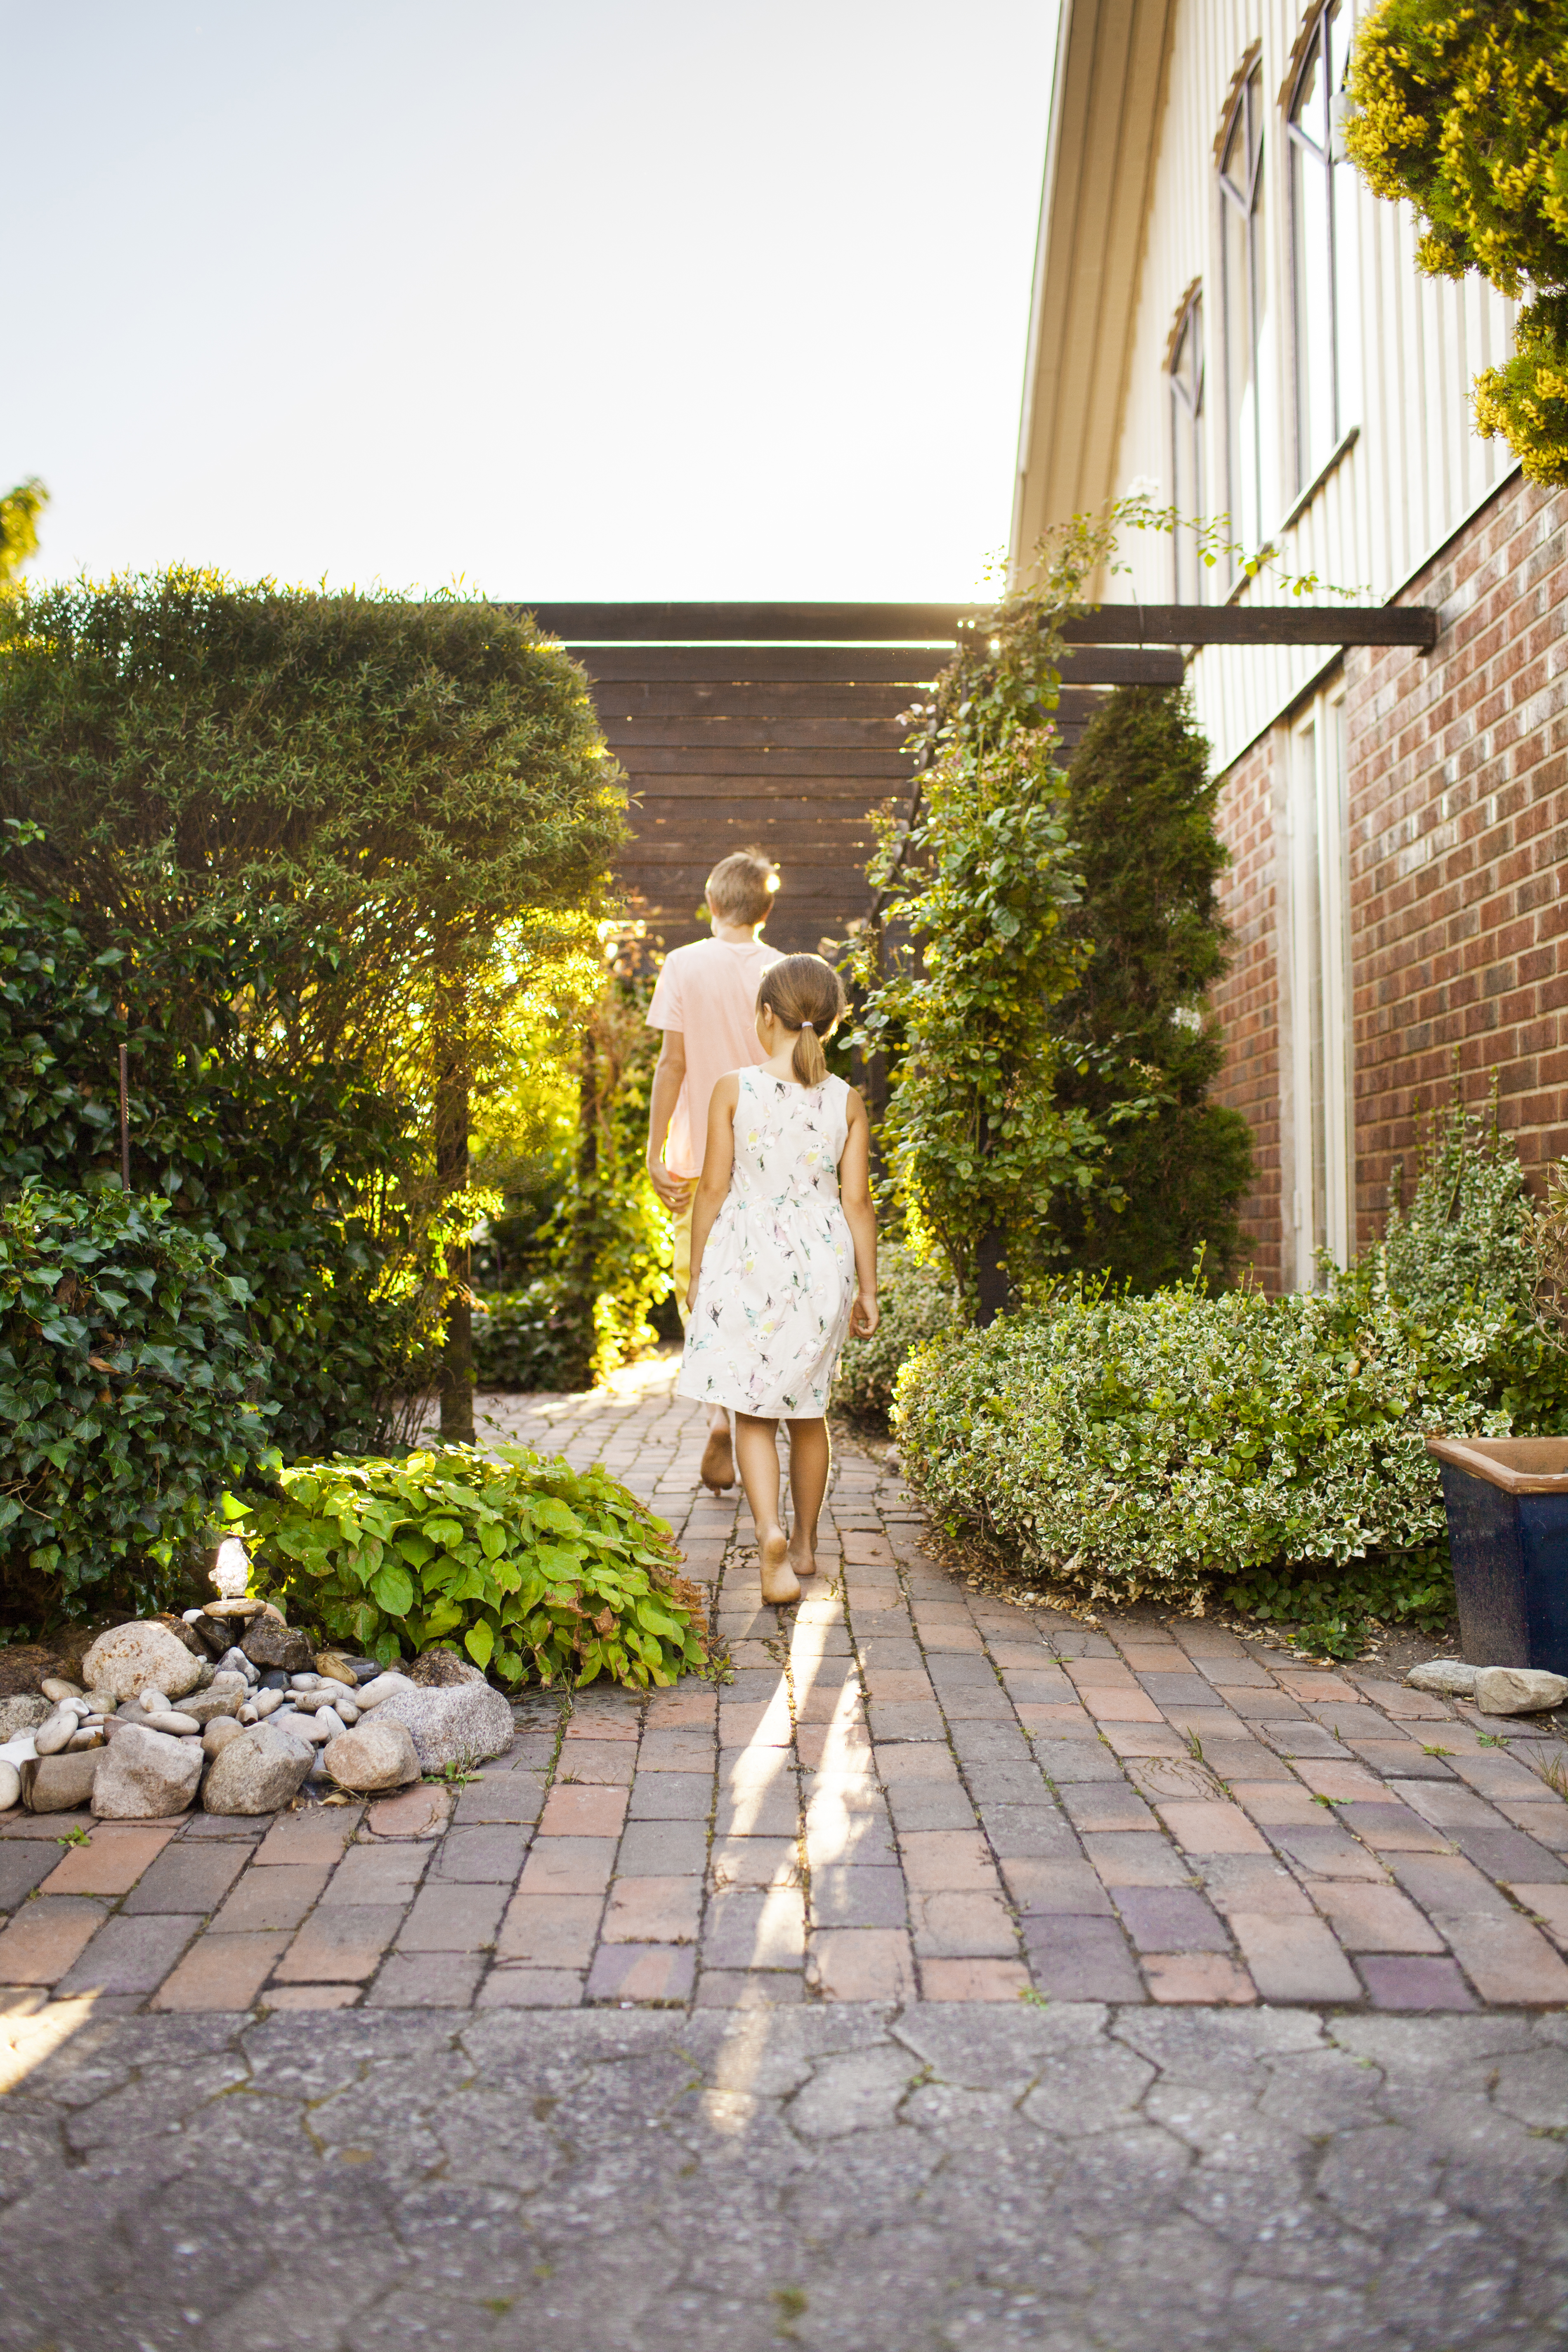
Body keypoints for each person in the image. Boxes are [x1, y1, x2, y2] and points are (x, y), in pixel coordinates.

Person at [677, 954, 878, 1606]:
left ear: (767, 1016)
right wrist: (868, 1289)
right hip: (822, 1264)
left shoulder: (735, 1089)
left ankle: (767, 1532)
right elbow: (858, 1205)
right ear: (832, 1022)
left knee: (753, 1412)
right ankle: (805, 1545)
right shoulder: (847, 1100)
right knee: (809, 1410)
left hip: (747, 1257)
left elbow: (712, 1188)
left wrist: (697, 1267)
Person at [646, 848, 782, 1494]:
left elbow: (671, 1065)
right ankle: (749, 1410)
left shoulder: (683, 964)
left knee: (701, 1287)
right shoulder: (785, 971)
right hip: (767, 1161)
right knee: (759, 1289)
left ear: (710, 904)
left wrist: (654, 1151)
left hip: (700, 1160)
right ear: (766, 909)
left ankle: (717, 1416)